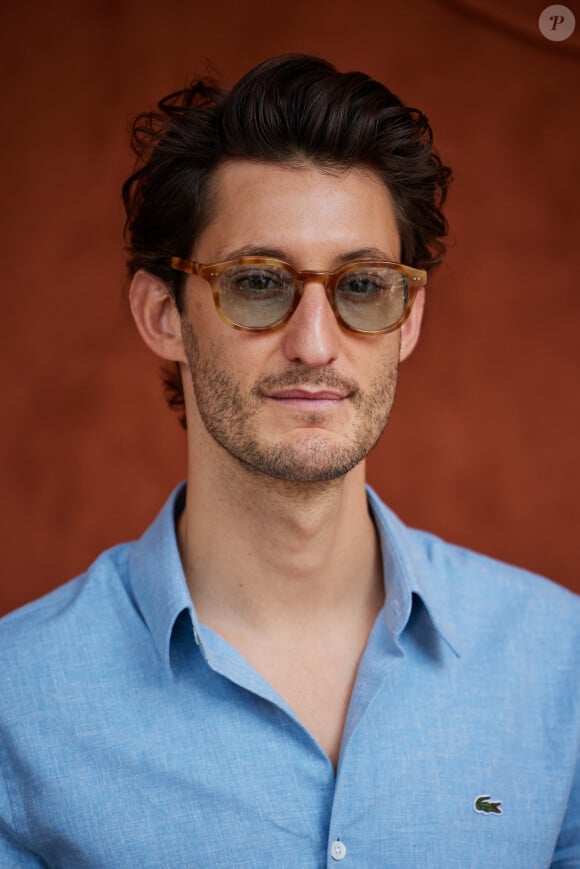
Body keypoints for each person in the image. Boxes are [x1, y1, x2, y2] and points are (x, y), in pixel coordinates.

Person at [0, 54, 578, 868]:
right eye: (259, 282)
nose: (314, 343)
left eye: (364, 286)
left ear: (407, 322)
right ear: (163, 314)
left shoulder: (560, 662)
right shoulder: (16, 705)